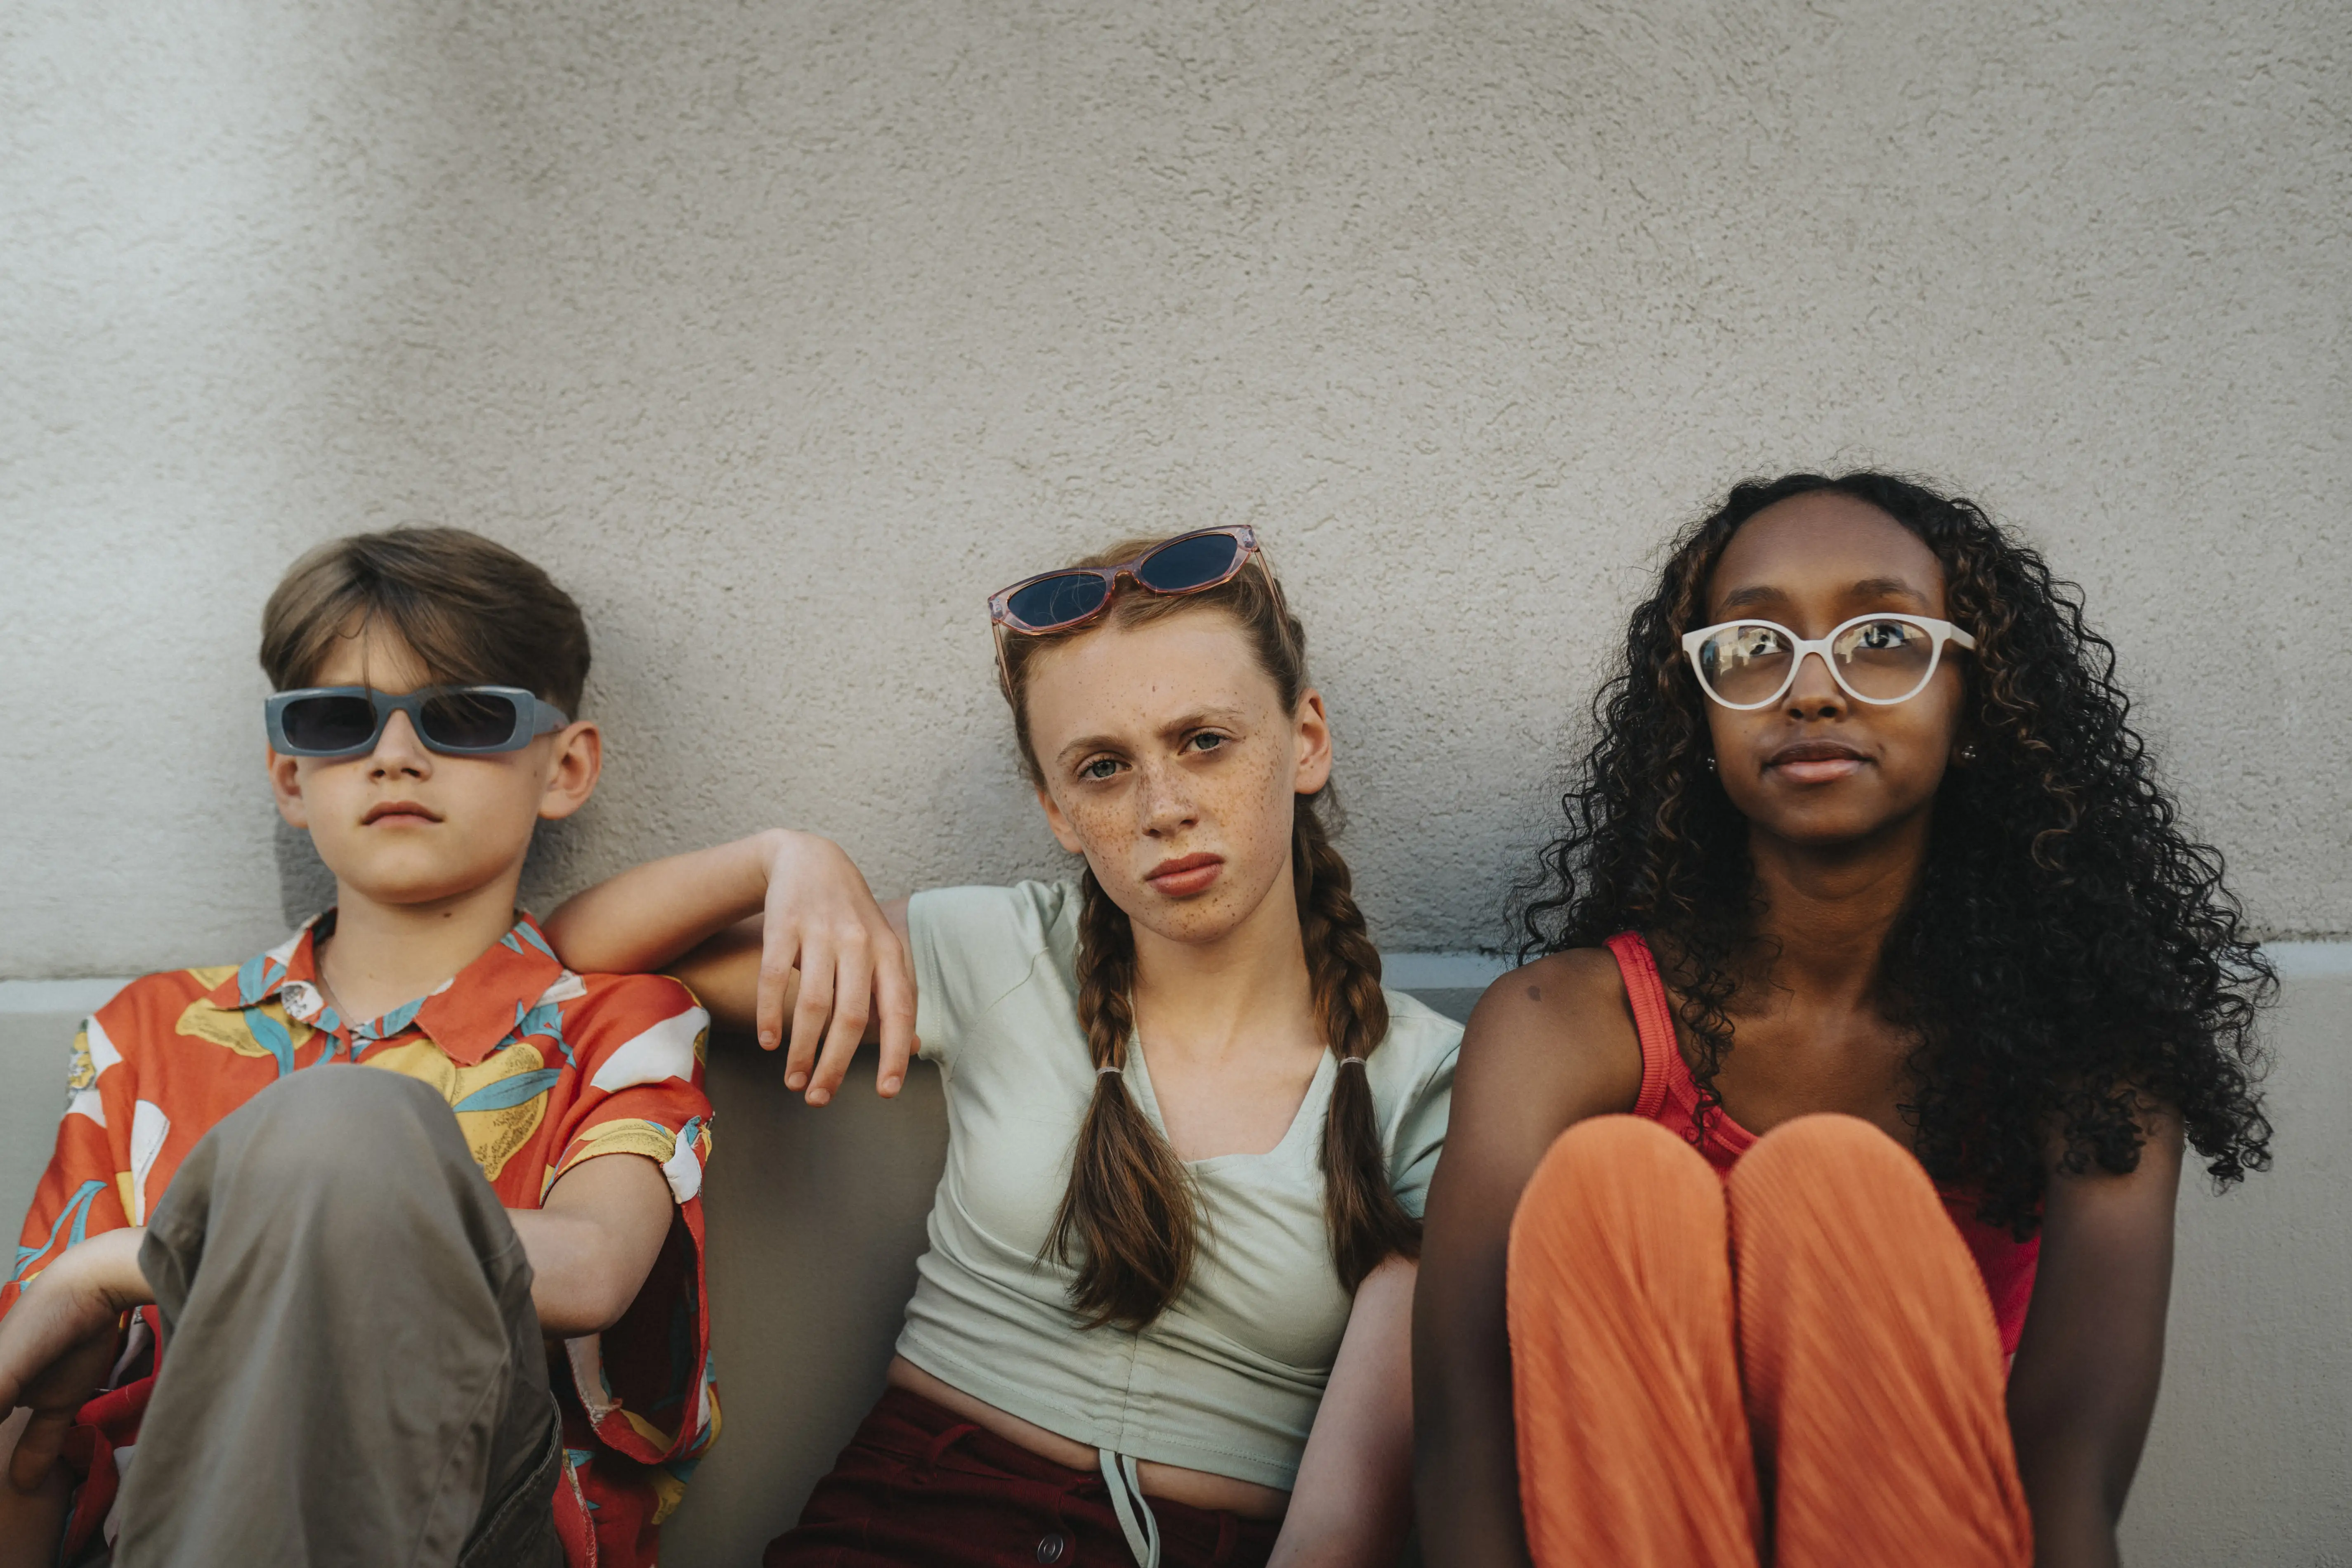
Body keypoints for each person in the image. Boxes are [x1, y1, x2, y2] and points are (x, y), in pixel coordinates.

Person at [544, 526, 1458, 1568]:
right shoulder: (1004, 952)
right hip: (906, 1520)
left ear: (1305, 740)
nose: (1165, 809)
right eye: (1104, 769)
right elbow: (580, 958)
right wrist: (778, 857)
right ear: (1057, 811)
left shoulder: (1423, 1084)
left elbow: (1342, 1531)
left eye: (1205, 739)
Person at [1412, 473, 2272, 1568]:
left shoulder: (2087, 1050)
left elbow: (2065, 1480)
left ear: (1975, 698)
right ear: (1700, 717)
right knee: (1613, 1185)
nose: (1809, 690)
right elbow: (1462, 1451)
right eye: (1752, 646)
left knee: (1829, 1187)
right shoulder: (1564, 1026)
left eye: (1880, 638)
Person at [0, 529, 720, 1568]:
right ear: (291, 777)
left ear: (564, 766)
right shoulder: (146, 1032)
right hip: (161, 1527)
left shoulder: (615, 1021)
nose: (394, 752)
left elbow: (596, 1265)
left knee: (346, 1125)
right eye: (339, 719)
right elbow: (36, 1439)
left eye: (464, 715)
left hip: (479, 1529)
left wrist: (121, 1265)